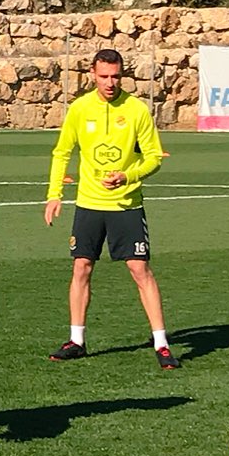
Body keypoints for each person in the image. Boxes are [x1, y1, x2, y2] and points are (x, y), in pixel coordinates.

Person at [44, 49, 179, 369]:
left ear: (122, 75)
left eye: (115, 76)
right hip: (89, 204)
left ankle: (161, 343)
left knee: (140, 270)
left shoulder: (136, 111)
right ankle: (76, 340)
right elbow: (61, 152)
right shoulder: (80, 109)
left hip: (127, 205)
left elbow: (154, 158)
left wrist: (128, 176)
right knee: (81, 268)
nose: (110, 82)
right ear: (92, 74)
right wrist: (54, 195)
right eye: (104, 76)